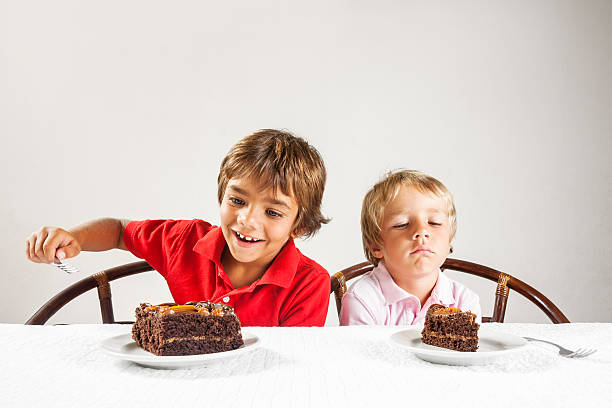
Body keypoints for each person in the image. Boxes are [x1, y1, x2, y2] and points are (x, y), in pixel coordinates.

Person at [26, 129, 331, 327]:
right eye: (237, 200)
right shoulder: (184, 241)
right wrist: (75, 237)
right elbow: (119, 230)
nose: (248, 220)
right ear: (221, 195)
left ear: (299, 226)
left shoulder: (308, 283)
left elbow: (291, 367)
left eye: (273, 212)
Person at [340, 169, 481, 326]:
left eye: (434, 222)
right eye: (402, 224)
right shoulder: (363, 299)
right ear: (375, 245)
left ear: (449, 239)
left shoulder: (465, 302)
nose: (421, 232)